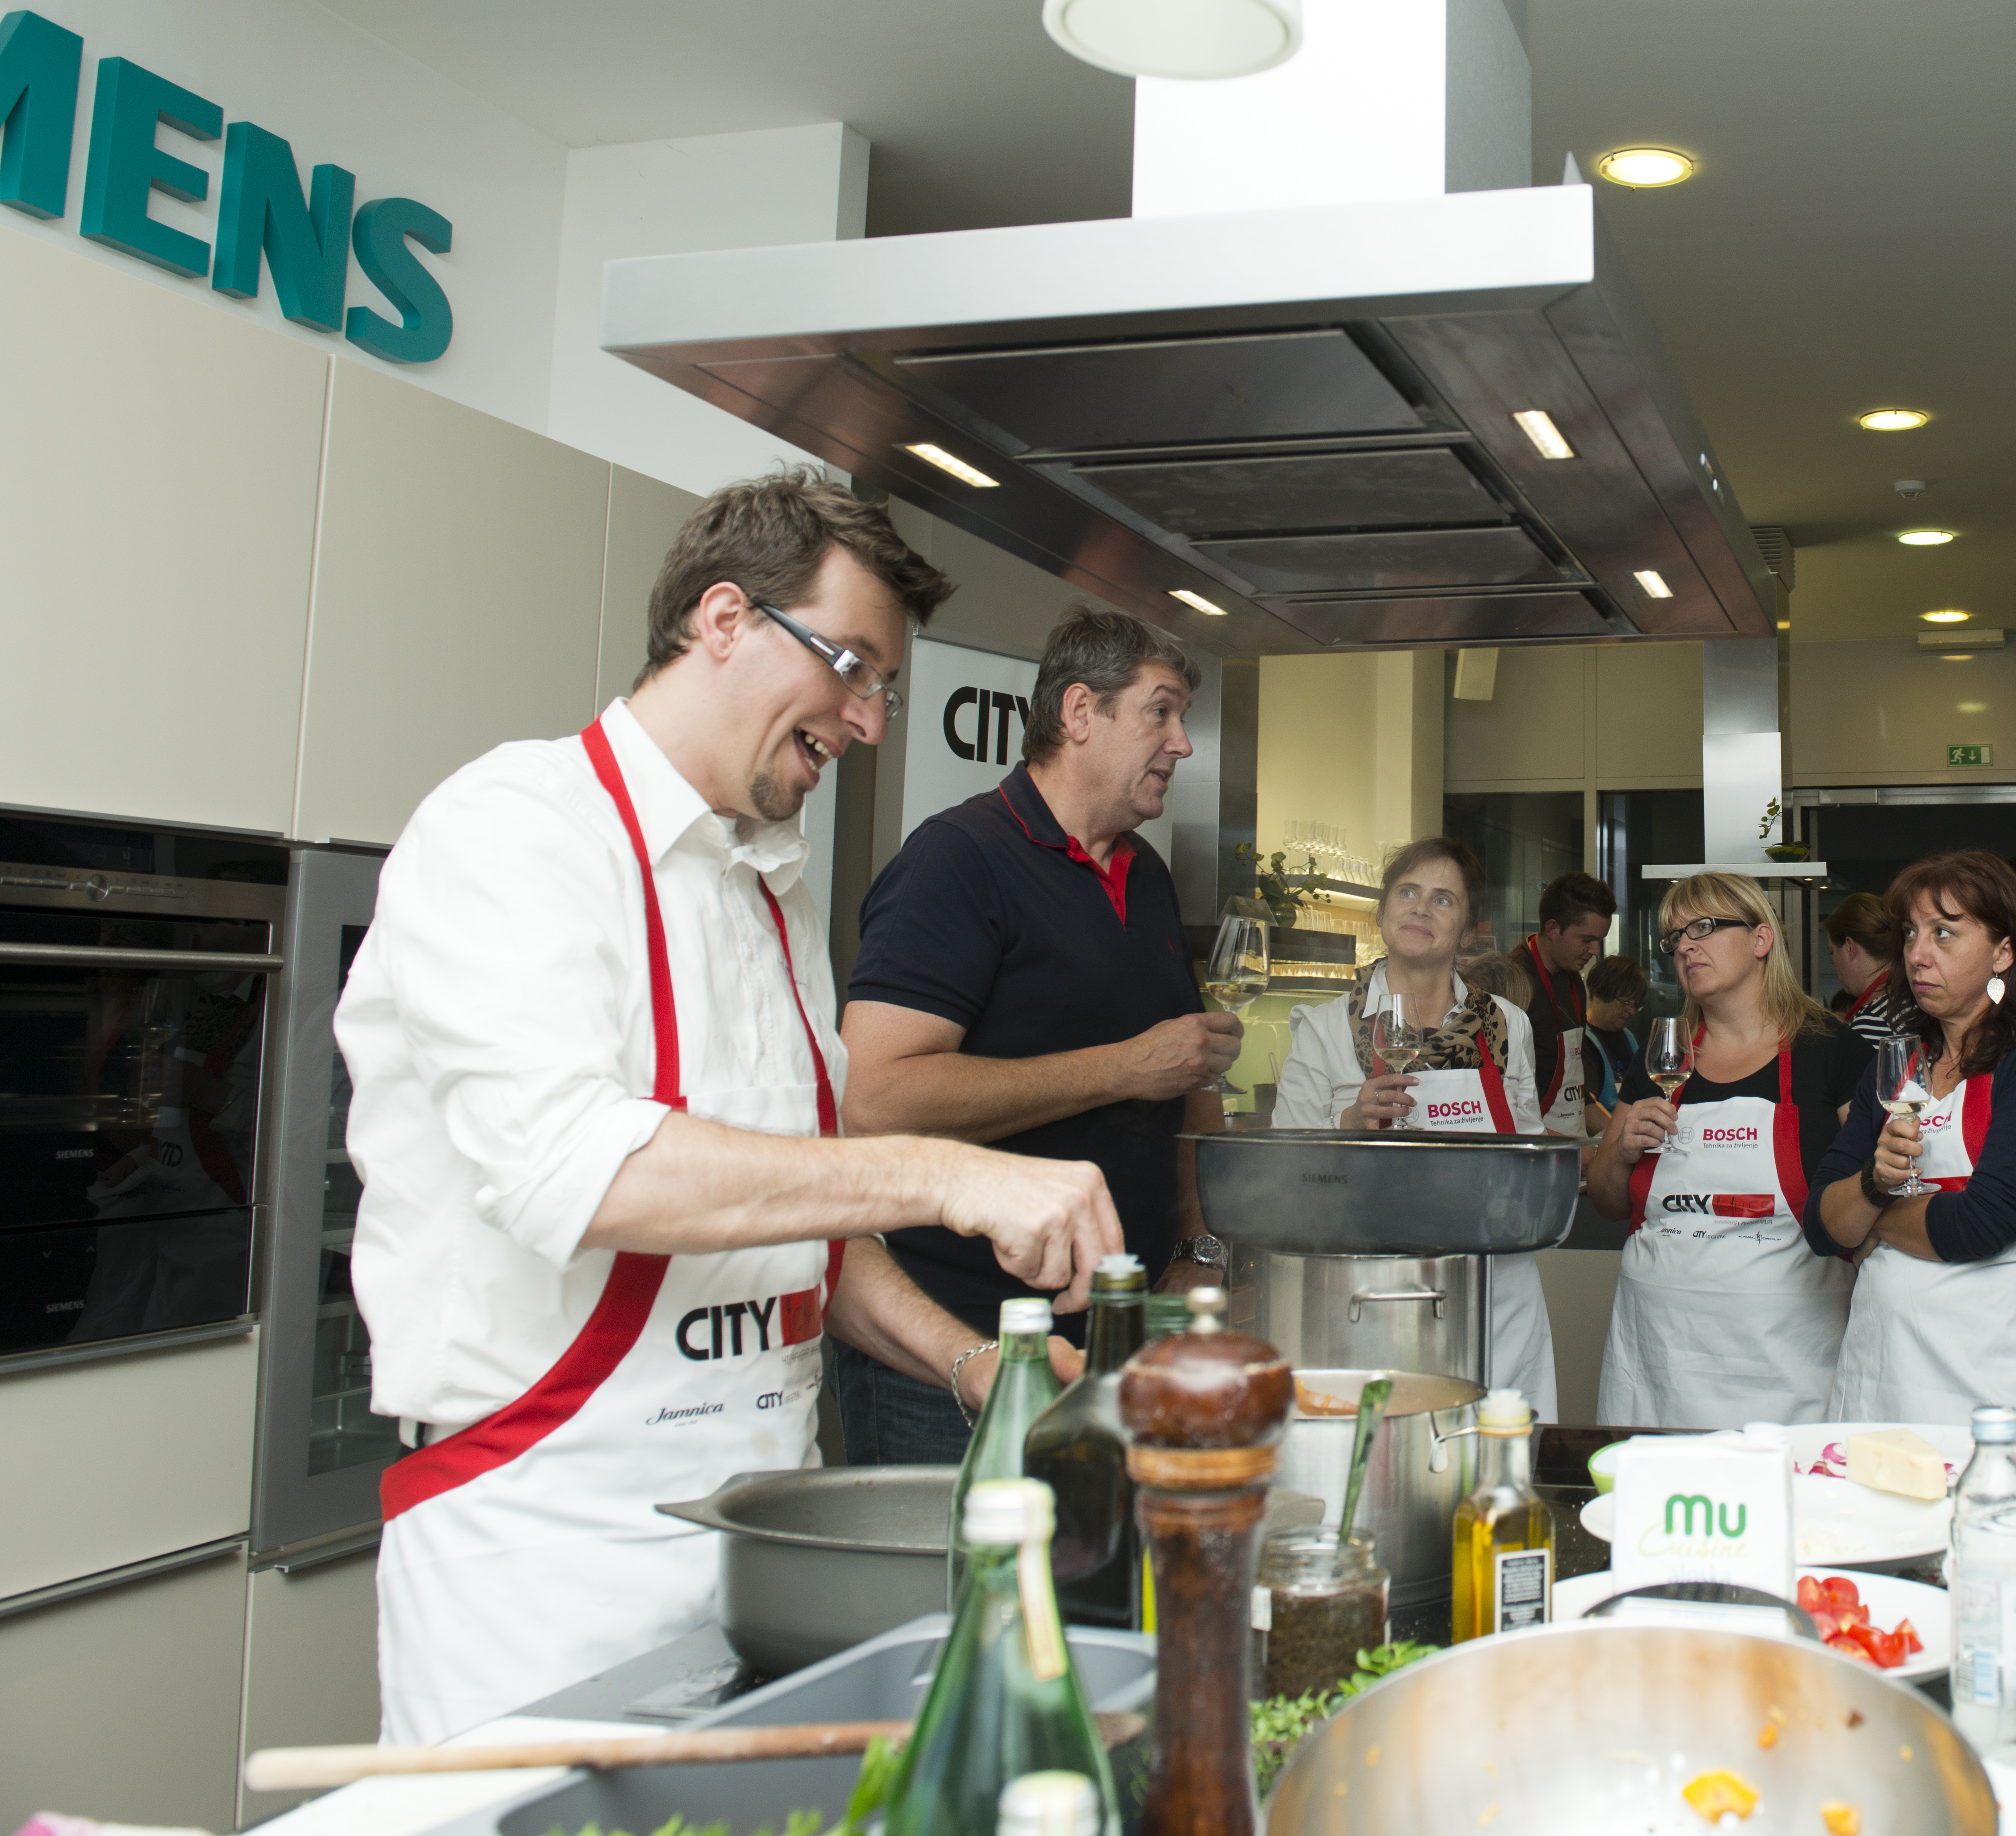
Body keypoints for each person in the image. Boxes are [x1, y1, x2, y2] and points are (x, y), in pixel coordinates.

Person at [341, 472, 1123, 1742]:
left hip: (764, 1541)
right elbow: (584, 1171)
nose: (867, 721)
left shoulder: (771, 893)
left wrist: (968, 1360)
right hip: (547, 1558)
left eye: (884, 688)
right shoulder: (517, 829)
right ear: (722, 620)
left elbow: (794, 1222)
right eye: (851, 667)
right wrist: (943, 1173)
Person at [836, 608, 1240, 1462]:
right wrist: (1124, 1066)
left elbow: (1187, 1077)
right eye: (1161, 712)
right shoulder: (956, 859)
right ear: (1081, 711)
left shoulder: (1146, 871)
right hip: (956, 1353)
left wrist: (1198, 1244)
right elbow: (873, 1097)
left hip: (1115, 1346)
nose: (1182, 743)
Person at [1273, 838, 1556, 1415]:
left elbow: (1528, 1149)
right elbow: (1282, 1167)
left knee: (1496, 1450)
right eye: (1408, 893)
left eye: (1443, 899)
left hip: (1494, 1291)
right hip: (1373, 1290)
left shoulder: (1508, 1025)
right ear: (1382, 912)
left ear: (1468, 929)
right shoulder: (1326, 1028)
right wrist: (1348, 1122)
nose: (1421, 908)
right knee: (1384, 1452)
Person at [1813, 851, 2016, 1433]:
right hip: (1882, 1370)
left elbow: (1982, 1225)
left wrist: (1872, 1214)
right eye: (1910, 933)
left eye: (1943, 933)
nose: (1917, 954)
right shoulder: (1892, 1065)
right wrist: (1870, 1186)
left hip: (1996, 1374)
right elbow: (1821, 1225)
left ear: (2002, 953)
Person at [1588, 872, 1864, 1426]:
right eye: (1675, 937)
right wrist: (1619, 1153)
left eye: (1704, 928)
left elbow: (1868, 1204)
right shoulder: (1662, 1057)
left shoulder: (1832, 1052)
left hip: (1785, 1362)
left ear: (1761, 940)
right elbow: (1607, 1201)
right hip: (1659, 1357)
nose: (1684, 947)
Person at [1519, 870, 1617, 1137]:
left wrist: (1614, 1137)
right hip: (1533, 1145)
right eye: (1587, 940)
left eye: (1600, 941)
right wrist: (1565, 1148)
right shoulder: (1513, 982)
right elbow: (1506, 1100)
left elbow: (1577, 1087)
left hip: (1571, 1134)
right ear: (1553, 929)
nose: (1596, 951)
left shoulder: (1573, 979)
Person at [1822, 891, 1906, 1048]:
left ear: (1850, 948)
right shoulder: (1909, 1000)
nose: (1834, 964)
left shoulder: (1870, 1023)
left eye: (1832, 952)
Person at [1580, 953, 1647, 1117]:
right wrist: (1616, 1132)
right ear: (1599, 994)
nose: (1632, 1011)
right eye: (1626, 1002)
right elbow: (1588, 1110)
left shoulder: (1628, 1037)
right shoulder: (1584, 1042)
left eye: (1636, 1005)